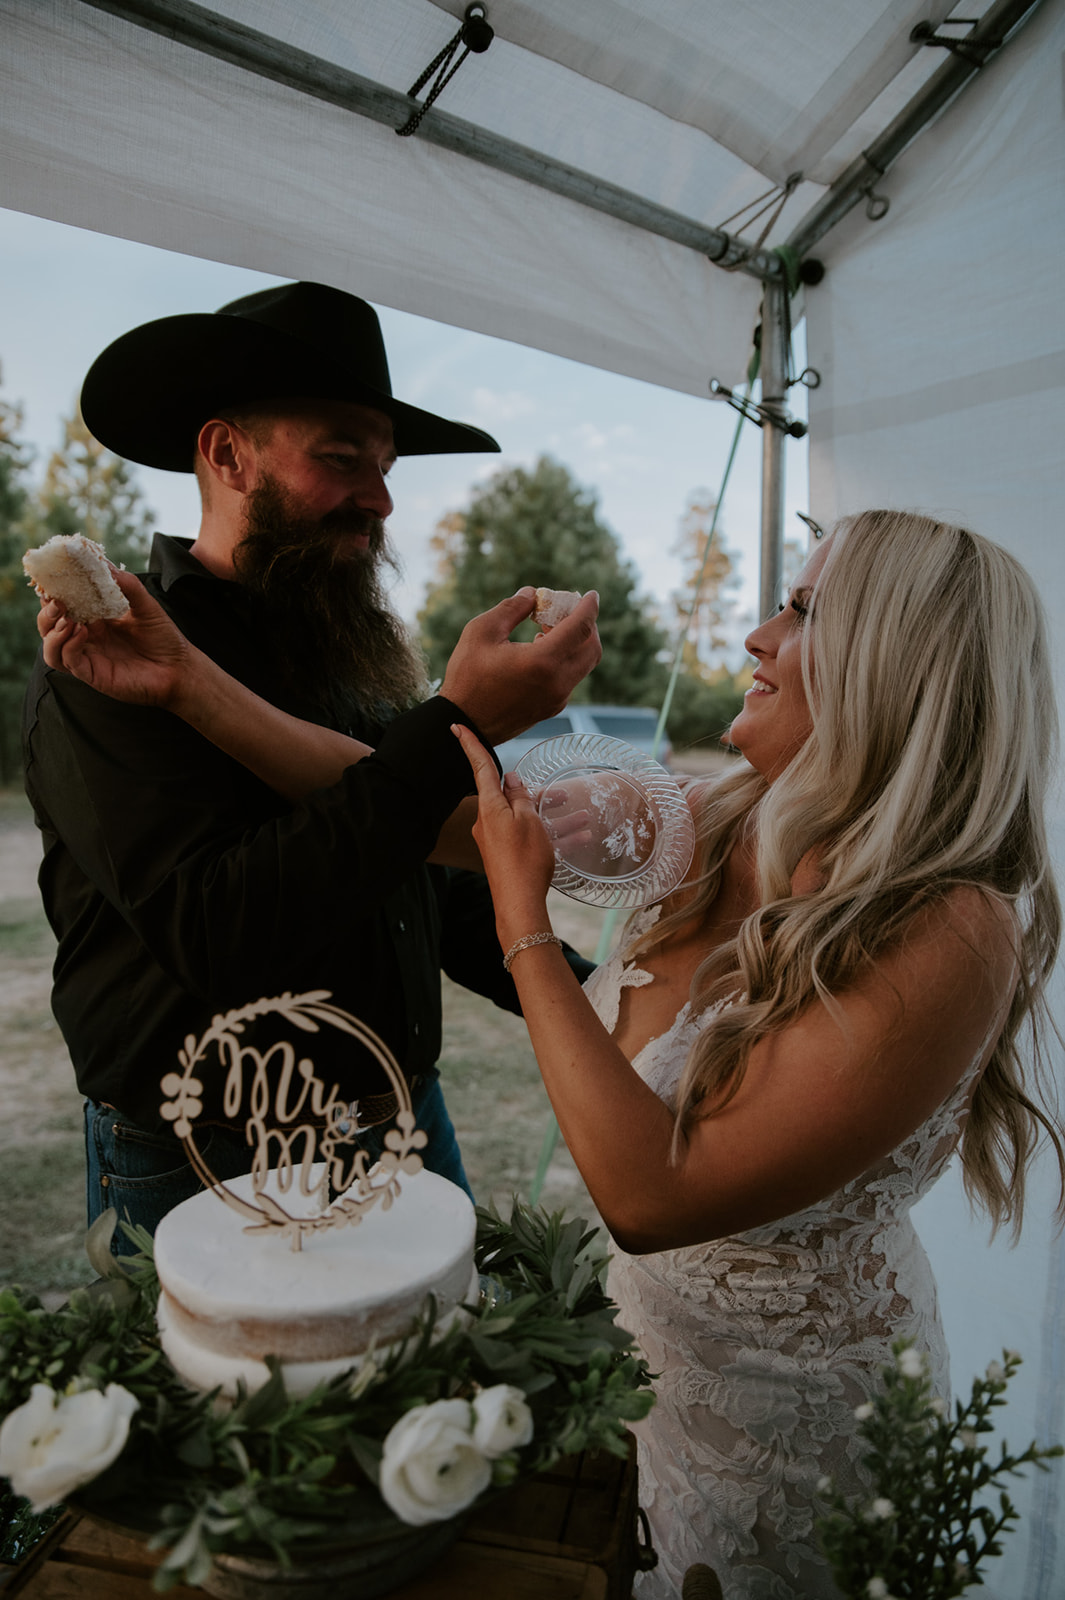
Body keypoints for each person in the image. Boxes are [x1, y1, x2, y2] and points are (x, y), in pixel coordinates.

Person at [448, 511, 1065, 1597]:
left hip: (795, 1452)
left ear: (898, 665)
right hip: (645, 1383)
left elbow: (649, 1194)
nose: (757, 637)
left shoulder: (954, 928)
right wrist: (185, 687)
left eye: (804, 610)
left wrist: (525, 924)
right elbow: (409, 811)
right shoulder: (707, 821)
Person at [23, 280, 601, 1247]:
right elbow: (222, 929)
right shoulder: (110, 661)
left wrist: (600, 1001)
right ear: (226, 453)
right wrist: (455, 720)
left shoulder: (346, 645)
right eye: (343, 460)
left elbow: (420, 868)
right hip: (210, 1157)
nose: (378, 501)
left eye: (385, 468)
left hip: (404, 1120)